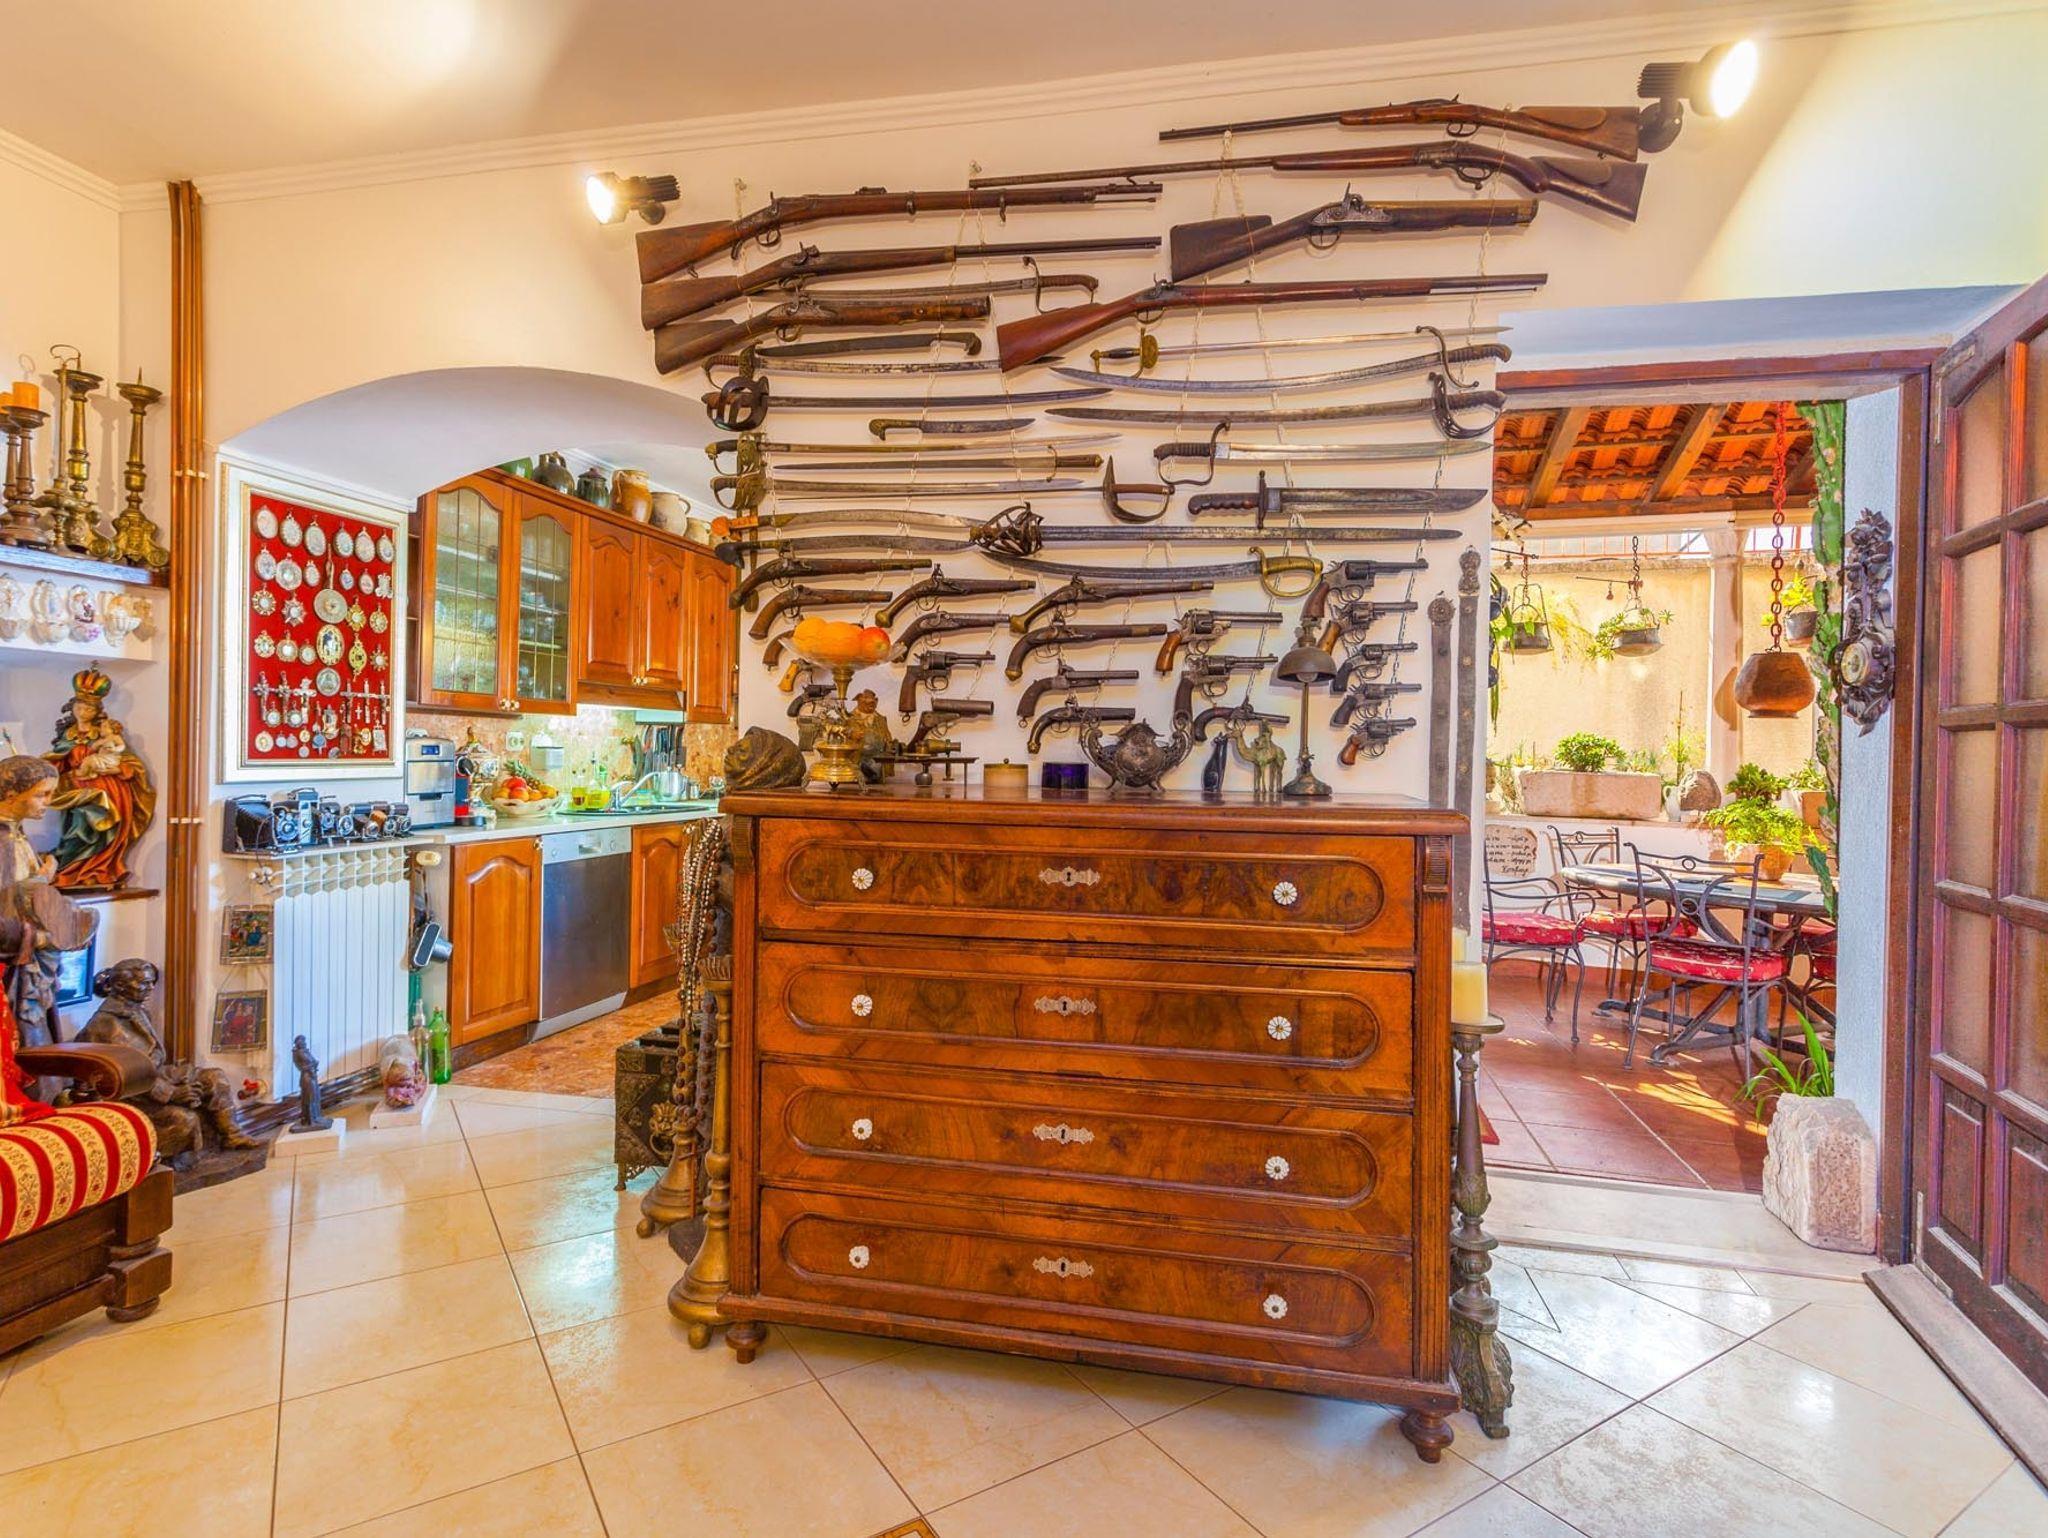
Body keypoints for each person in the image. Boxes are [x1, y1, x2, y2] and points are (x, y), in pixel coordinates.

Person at [79, 958, 257, 1162]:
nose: (151, 988)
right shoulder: (105, 1025)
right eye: (144, 983)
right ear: (119, 986)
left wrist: (176, 1082)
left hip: (156, 1074)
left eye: (151, 982)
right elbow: (130, 1075)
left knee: (214, 1077)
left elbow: (152, 1061)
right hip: (131, 1091)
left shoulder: (137, 1010)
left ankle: (232, 1135)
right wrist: (172, 1093)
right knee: (185, 1120)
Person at [46, 668, 157, 891]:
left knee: (102, 829)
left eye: (88, 708)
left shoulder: (106, 734)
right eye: (79, 706)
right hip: (77, 789)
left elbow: (128, 761)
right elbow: (59, 762)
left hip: (109, 791)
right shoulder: (68, 735)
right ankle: (72, 870)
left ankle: (98, 870)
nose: (82, 711)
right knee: (77, 827)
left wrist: (119, 769)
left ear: (97, 711)